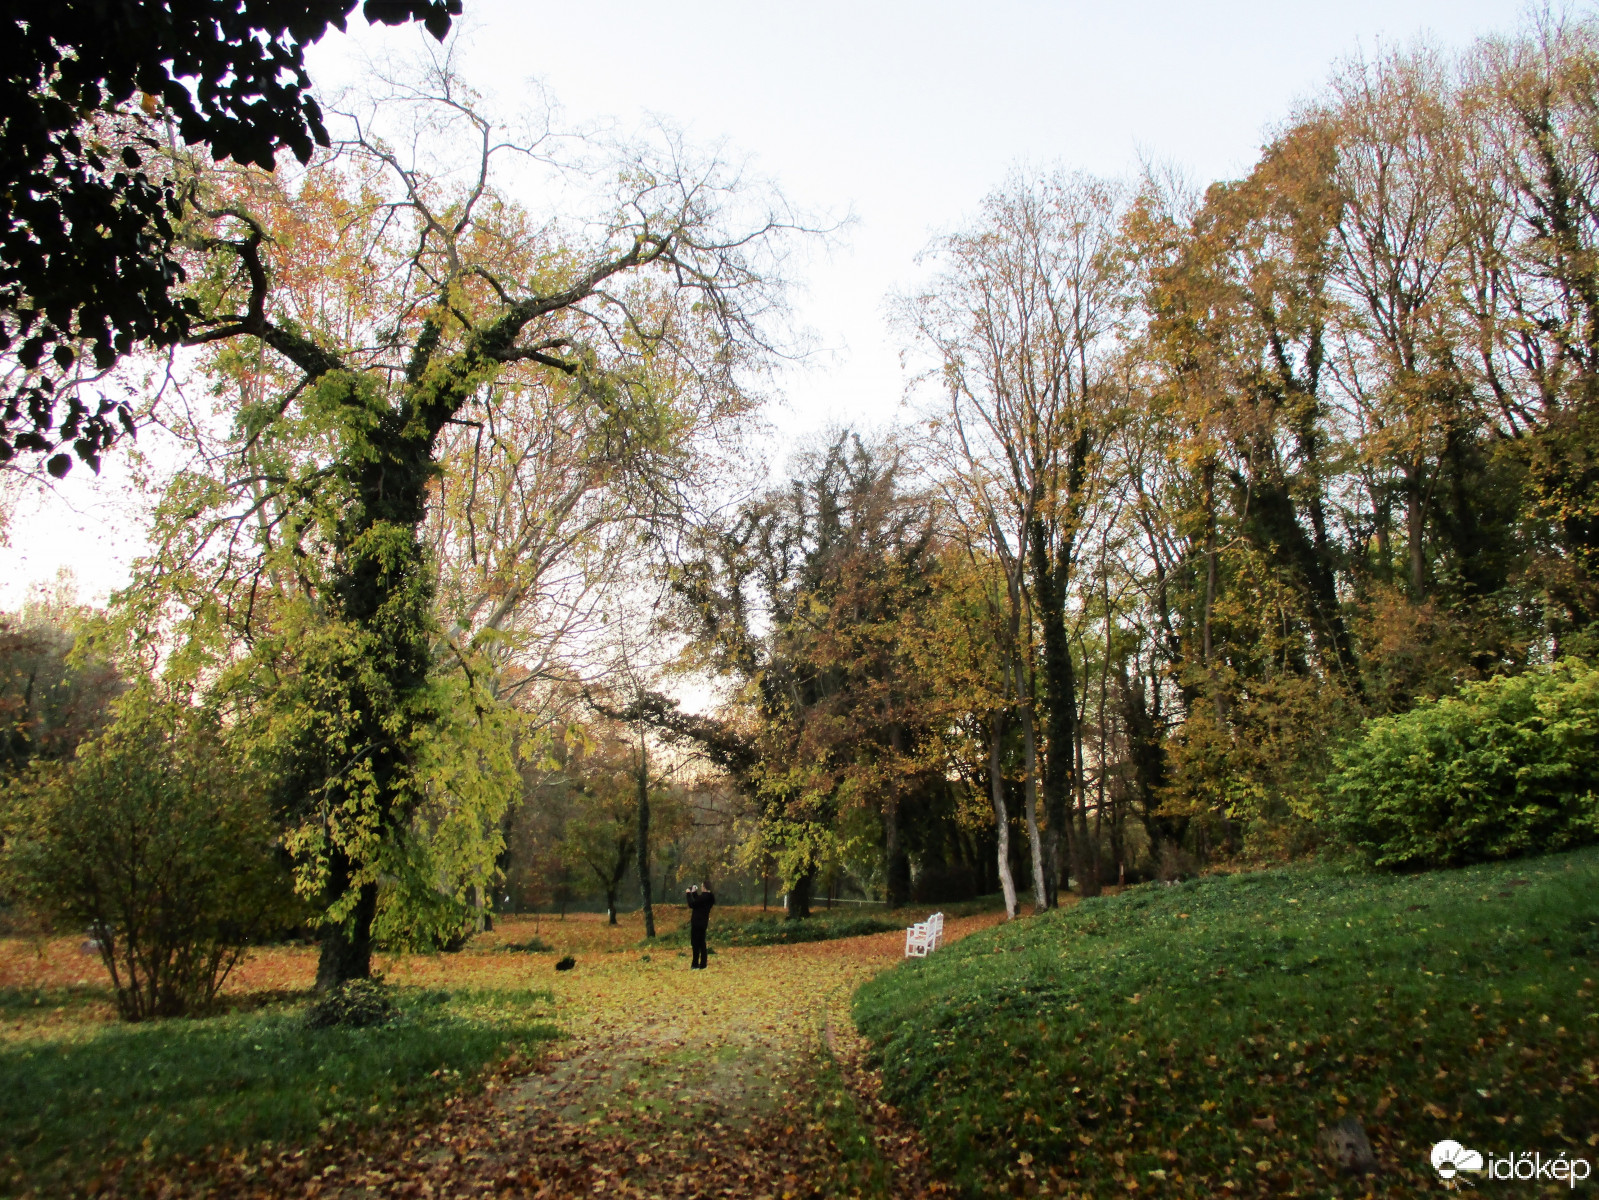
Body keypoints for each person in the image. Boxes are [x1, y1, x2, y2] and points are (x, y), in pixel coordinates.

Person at [685, 882, 716, 969]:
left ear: (705, 887)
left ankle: (695, 964)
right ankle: (703, 964)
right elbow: (699, 902)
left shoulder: (704, 897)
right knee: (702, 943)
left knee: (695, 943)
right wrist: (694, 893)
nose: (701, 888)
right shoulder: (710, 898)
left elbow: (692, 904)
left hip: (696, 923)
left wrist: (688, 894)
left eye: (702, 886)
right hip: (703, 923)